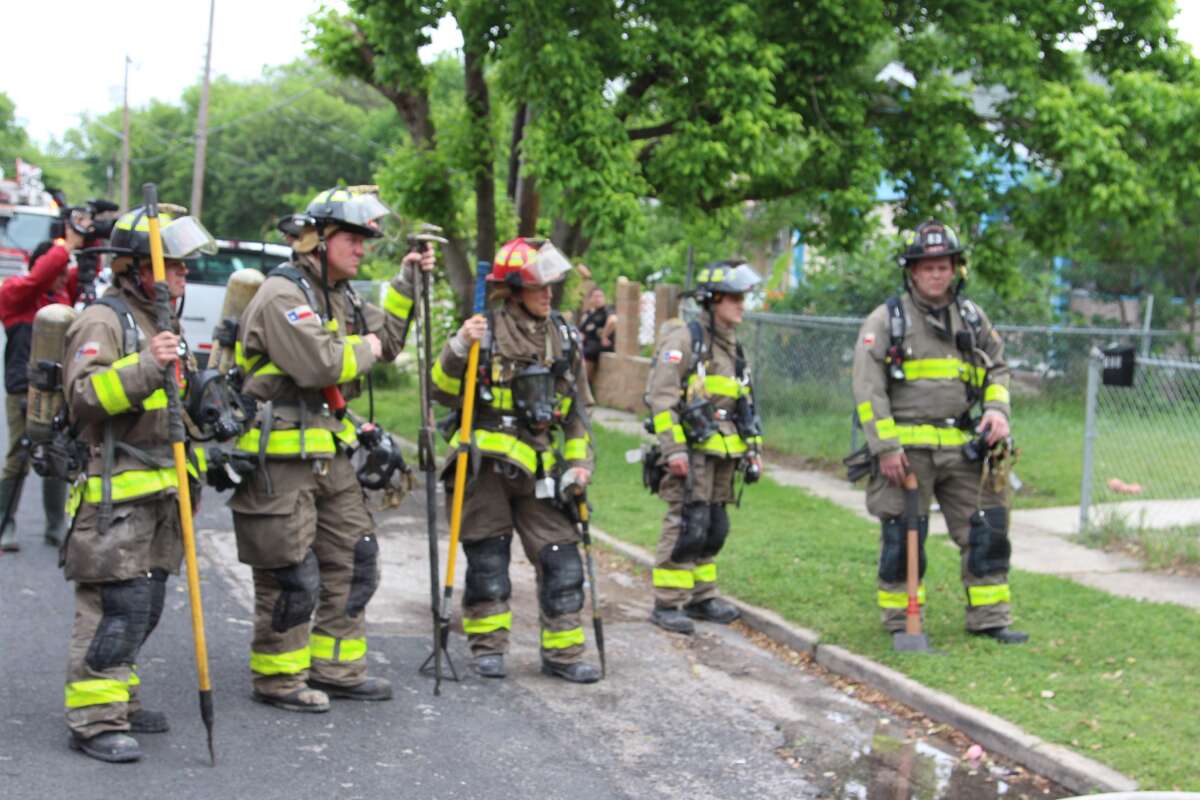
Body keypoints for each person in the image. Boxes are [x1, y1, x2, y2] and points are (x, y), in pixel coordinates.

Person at [231, 187, 434, 712]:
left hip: (328, 454)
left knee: (354, 556)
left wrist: (407, 282)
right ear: (317, 239)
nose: (362, 249)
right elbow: (321, 365)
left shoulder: (338, 296)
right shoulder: (283, 295)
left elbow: (385, 340)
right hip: (279, 459)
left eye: (365, 240)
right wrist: (361, 348)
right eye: (351, 238)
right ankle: (278, 679)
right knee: (291, 573)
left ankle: (337, 666)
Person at [60, 204, 217, 762]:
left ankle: (118, 699)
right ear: (134, 267)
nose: (183, 278)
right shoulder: (105, 320)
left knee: (145, 604)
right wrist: (148, 364)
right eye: (172, 267)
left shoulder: (158, 319)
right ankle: (95, 720)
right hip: (114, 493)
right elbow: (84, 397)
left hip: (161, 491)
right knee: (116, 604)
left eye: (183, 268)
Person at [432, 236, 600, 684]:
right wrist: (459, 346)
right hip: (485, 469)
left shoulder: (563, 337)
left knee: (562, 559)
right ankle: (488, 649)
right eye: (538, 286)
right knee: (488, 560)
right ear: (513, 289)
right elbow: (440, 390)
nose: (549, 294)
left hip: (540, 469)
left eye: (551, 286)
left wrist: (580, 465)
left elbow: (579, 416)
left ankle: (563, 654)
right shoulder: (483, 329)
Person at [851, 219, 1026, 644]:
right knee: (902, 537)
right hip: (907, 454)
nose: (936, 273)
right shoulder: (886, 320)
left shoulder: (971, 317)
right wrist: (886, 448)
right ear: (911, 271)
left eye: (944, 265)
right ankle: (901, 623)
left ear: (955, 269)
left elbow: (997, 367)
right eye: (926, 266)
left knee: (987, 531)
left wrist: (998, 409)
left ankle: (990, 618)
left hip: (964, 449)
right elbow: (868, 391)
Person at [644, 260, 764, 635]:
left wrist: (752, 447)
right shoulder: (684, 340)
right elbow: (661, 397)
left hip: (724, 452)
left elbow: (744, 402)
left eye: (743, 297)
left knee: (713, 525)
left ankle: (701, 595)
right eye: (734, 298)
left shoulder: (733, 347)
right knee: (686, 523)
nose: (742, 304)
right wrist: (674, 449)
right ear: (713, 300)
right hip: (691, 454)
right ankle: (667, 602)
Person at [0, 213, 86, 550]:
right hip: (23, 387)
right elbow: (44, 275)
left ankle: (55, 525)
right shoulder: (16, 294)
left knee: (57, 456)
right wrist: (65, 243)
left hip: (58, 391)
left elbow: (82, 273)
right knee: (18, 456)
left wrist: (88, 235)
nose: (64, 278)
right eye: (59, 272)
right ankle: (4, 524)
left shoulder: (59, 300)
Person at [579, 286, 616, 387]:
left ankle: (585, 386)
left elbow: (613, 320)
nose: (598, 298)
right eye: (595, 296)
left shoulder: (607, 310)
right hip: (587, 344)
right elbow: (581, 331)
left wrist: (604, 336)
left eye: (600, 296)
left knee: (587, 352)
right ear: (590, 299)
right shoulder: (588, 314)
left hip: (600, 344)